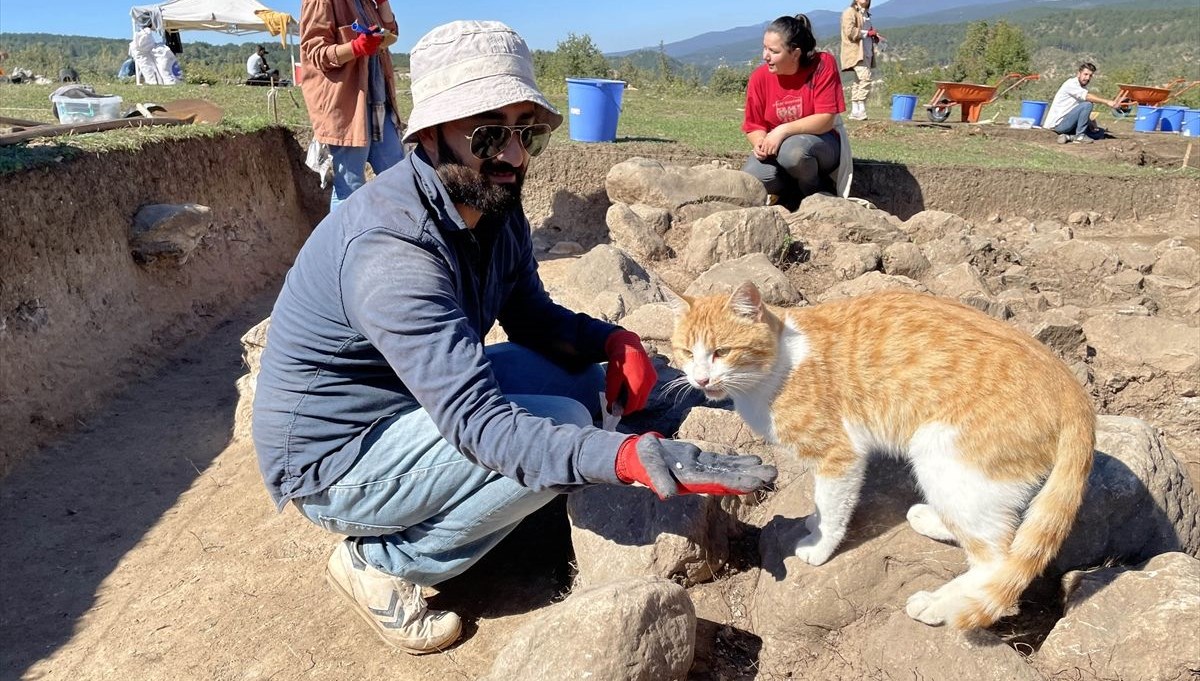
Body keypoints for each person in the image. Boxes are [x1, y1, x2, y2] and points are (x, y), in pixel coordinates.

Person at [252, 19, 778, 655]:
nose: (516, 155)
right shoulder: (391, 254)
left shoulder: (489, 199)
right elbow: (485, 427)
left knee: (583, 387)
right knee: (554, 431)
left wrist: (612, 341)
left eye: (526, 132)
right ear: (429, 136)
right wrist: (623, 458)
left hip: (410, 395)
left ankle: (494, 493)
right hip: (335, 457)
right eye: (490, 133)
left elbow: (530, 317)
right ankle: (384, 562)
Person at [299, 0, 403, 210]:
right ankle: (342, 241)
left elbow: (391, 33)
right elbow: (316, 53)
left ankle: (396, 235)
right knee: (350, 186)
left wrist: (382, 3)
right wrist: (355, 47)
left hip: (378, 102)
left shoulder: (365, 3)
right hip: (347, 105)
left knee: (399, 176)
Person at [742, 14, 854, 207]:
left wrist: (782, 130)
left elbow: (826, 119)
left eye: (773, 51)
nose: (765, 56)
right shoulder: (759, 77)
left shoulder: (822, 64)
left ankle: (815, 194)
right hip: (776, 150)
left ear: (795, 54)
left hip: (821, 143)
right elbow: (754, 125)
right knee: (751, 178)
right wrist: (761, 142)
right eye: (764, 47)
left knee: (794, 152)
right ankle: (787, 191)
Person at [1043, 62, 1119, 144]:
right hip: (1059, 124)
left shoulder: (1082, 87)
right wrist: (1107, 102)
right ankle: (1079, 136)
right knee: (1088, 104)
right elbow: (1087, 97)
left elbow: (1080, 110)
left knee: (1100, 133)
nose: (1087, 78)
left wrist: (1091, 123)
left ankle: (1069, 137)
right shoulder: (1071, 84)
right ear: (1079, 73)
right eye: (1085, 74)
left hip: (1070, 122)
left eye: (1090, 76)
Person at [840, 0, 882, 121]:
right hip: (856, 52)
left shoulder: (866, 14)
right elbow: (850, 32)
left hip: (866, 52)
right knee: (866, 78)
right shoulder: (850, 12)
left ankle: (855, 110)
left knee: (858, 81)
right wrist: (868, 33)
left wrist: (874, 36)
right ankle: (861, 107)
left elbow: (866, 33)